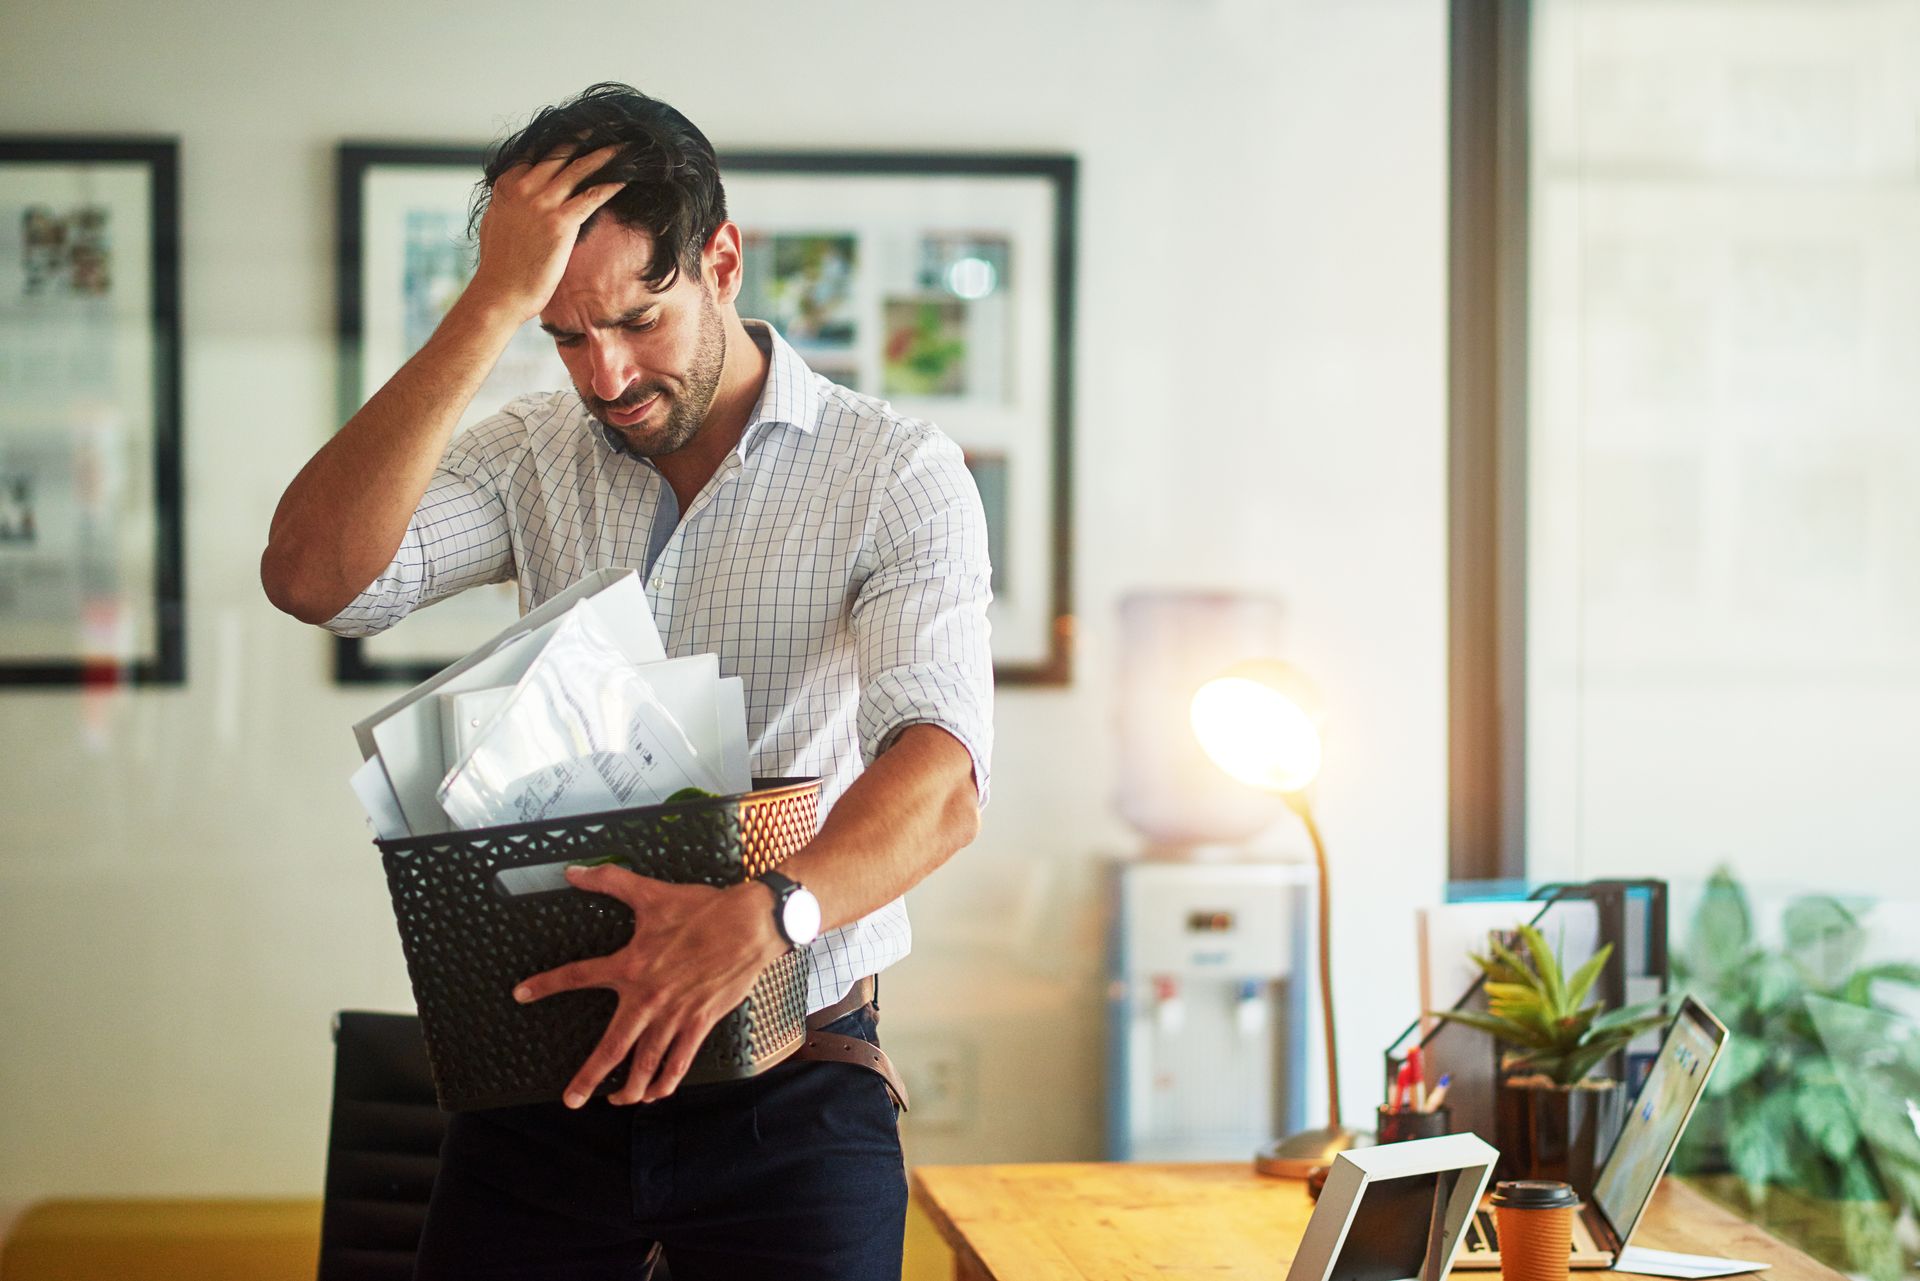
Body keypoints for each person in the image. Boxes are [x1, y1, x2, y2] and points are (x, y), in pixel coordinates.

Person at [261, 83, 993, 1280]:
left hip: (792, 1084)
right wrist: (492, 302)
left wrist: (769, 916)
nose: (604, 377)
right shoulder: (530, 453)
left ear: (721, 259)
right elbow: (312, 577)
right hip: (546, 1093)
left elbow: (943, 777)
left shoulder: (893, 474)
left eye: (638, 319)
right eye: (563, 333)